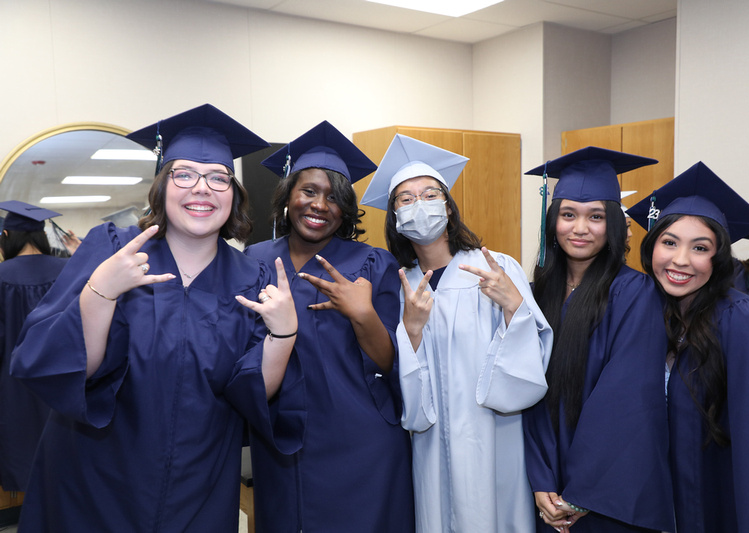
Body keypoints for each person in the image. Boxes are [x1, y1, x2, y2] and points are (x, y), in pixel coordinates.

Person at [10, 104, 303, 532]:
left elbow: (253, 395)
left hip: (198, 485)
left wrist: (283, 332)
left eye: (218, 177)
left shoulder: (252, 277)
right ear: (162, 186)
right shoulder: (111, 248)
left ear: (234, 194)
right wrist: (100, 291)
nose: (202, 188)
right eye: (184, 174)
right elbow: (64, 367)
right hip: (94, 479)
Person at [360, 134, 552, 532]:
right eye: (406, 199)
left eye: (430, 194)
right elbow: (403, 395)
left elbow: (535, 356)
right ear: (395, 217)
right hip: (431, 449)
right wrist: (411, 331)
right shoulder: (399, 285)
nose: (420, 205)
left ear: (448, 207)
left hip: (495, 437)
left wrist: (513, 306)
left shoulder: (496, 267)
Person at [245, 121, 414, 533]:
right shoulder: (251, 261)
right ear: (287, 198)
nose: (320, 205)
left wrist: (363, 315)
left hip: (361, 442)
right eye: (308, 191)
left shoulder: (373, 264)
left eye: (334, 197)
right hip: (280, 443)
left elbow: (395, 361)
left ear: (346, 209)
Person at [628, 162, 749, 532]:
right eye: (669, 242)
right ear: (651, 246)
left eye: (700, 247)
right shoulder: (653, 316)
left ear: (718, 258)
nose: (680, 260)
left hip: (724, 508)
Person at [523, 147, 674, 533]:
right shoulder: (537, 293)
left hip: (606, 490)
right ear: (552, 221)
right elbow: (525, 387)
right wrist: (540, 479)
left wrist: (579, 493)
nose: (580, 228)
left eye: (595, 217)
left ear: (613, 225)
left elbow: (625, 400)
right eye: (568, 215)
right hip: (545, 484)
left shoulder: (635, 292)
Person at [0, 202, 69, 493]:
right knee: (66, 465)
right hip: (64, 384)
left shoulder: (2, 277)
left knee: (24, 460)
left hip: (13, 388)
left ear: (6, 235)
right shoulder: (69, 272)